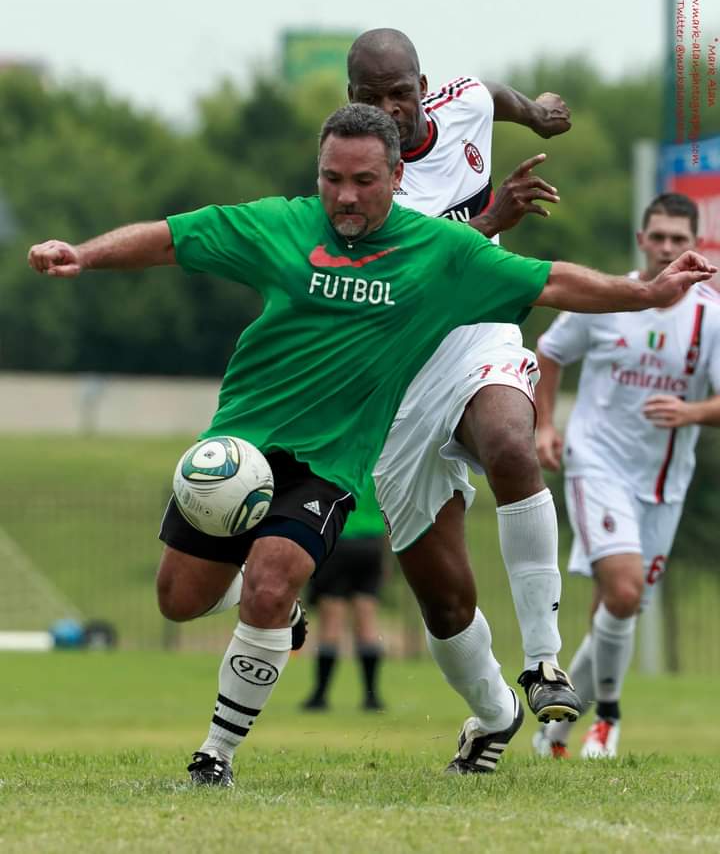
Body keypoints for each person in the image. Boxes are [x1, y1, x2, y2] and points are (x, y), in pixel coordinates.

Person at [28, 107, 713, 785]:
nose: (345, 195)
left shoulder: (439, 252)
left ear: (396, 175)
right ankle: (281, 618)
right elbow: (176, 238)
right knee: (177, 599)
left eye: (362, 180)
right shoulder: (282, 225)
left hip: (330, 462)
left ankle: (215, 757)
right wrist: (82, 255)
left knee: (273, 580)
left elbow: (552, 279)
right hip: (239, 448)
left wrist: (645, 292)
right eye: (331, 178)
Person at [345, 28, 580, 764]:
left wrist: (538, 113)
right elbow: (409, 278)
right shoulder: (352, 181)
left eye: (401, 93)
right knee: (444, 604)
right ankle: (496, 714)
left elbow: (495, 98)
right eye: (371, 98)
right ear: (350, 100)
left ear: (423, 84)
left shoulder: (465, 102)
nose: (391, 110)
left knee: (513, 442)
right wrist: (489, 222)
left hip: (477, 335)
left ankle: (544, 659)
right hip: (400, 374)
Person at [533, 193, 720, 759]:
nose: (666, 247)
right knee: (622, 590)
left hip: (663, 482)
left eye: (677, 238)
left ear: (695, 245)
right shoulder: (607, 299)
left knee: (619, 605)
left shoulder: (708, 316)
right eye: (657, 236)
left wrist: (690, 412)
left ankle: (555, 732)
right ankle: (607, 721)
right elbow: (548, 351)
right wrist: (544, 425)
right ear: (641, 239)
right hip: (597, 464)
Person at [301, 481, 388, 712]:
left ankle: (319, 696)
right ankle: (371, 697)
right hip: (372, 544)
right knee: (367, 620)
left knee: (331, 621)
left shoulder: (340, 459)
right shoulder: (375, 462)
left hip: (338, 541)